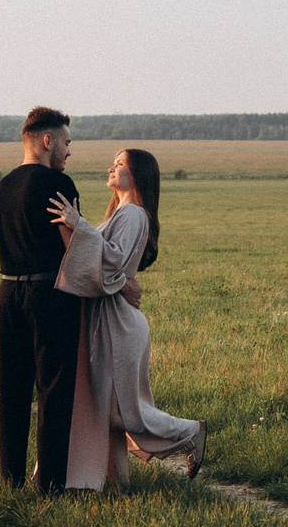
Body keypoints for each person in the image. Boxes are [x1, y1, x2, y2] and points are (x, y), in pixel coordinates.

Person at [50, 147, 207, 489]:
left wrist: (80, 226)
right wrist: (82, 231)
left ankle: (190, 431)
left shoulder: (134, 214)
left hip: (118, 324)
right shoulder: (120, 213)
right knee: (105, 407)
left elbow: (114, 263)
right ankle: (118, 483)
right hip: (109, 319)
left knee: (121, 410)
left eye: (120, 164)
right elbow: (110, 264)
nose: (111, 167)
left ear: (137, 174)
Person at [0, 107, 82, 491]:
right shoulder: (57, 185)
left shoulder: (0, 188)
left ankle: (10, 478)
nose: (68, 152)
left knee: (12, 386)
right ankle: (52, 485)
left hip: (8, 291)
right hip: (50, 291)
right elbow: (75, 247)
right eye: (65, 142)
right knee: (54, 389)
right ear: (47, 141)